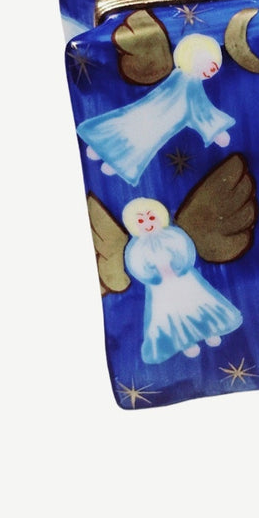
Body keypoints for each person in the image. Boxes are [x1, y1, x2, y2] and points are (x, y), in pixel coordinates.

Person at [77, 33, 234, 185]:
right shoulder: (188, 84)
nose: (212, 71)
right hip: (153, 119)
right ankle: (104, 154)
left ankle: (103, 154)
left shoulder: (186, 81)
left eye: (214, 67)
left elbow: (199, 111)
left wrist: (217, 132)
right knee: (131, 133)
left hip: (154, 121)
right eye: (210, 65)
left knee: (130, 133)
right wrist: (218, 132)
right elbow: (201, 112)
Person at [121, 198, 243, 363]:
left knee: (196, 301)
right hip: (161, 287)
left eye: (151, 217)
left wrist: (180, 267)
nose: (148, 223)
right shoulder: (137, 248)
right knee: (172, 311)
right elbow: (138, 267)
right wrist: (154, 276)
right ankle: (185, 342)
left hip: (183, 278)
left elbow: (185, 252)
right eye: (141, 221)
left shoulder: (173, 236)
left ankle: (210, 330)